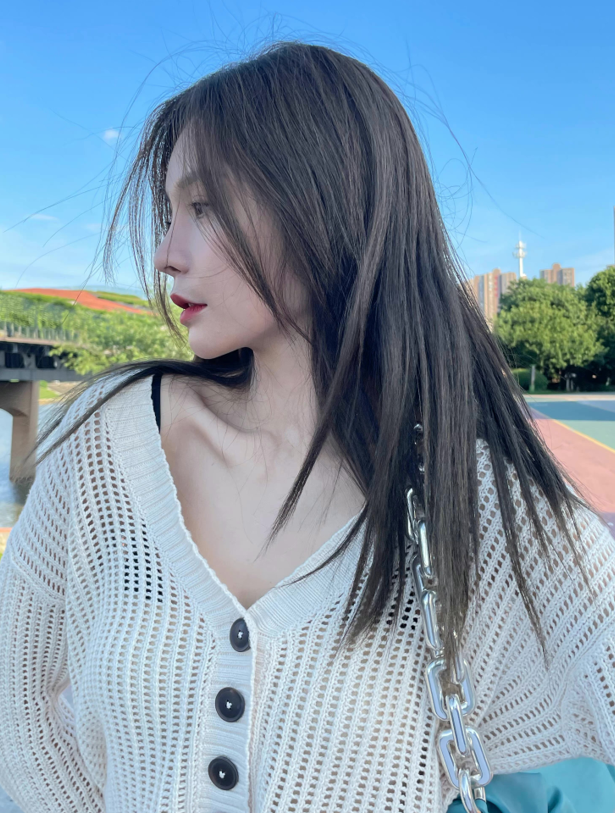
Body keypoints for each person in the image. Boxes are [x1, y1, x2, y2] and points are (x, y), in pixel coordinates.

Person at [0, 41, 613, 813]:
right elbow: (17, 704)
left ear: (324, 204)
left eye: (203, 207)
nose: (164, 254)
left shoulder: (472, 496)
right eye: (169, 213)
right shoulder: (109, 444)